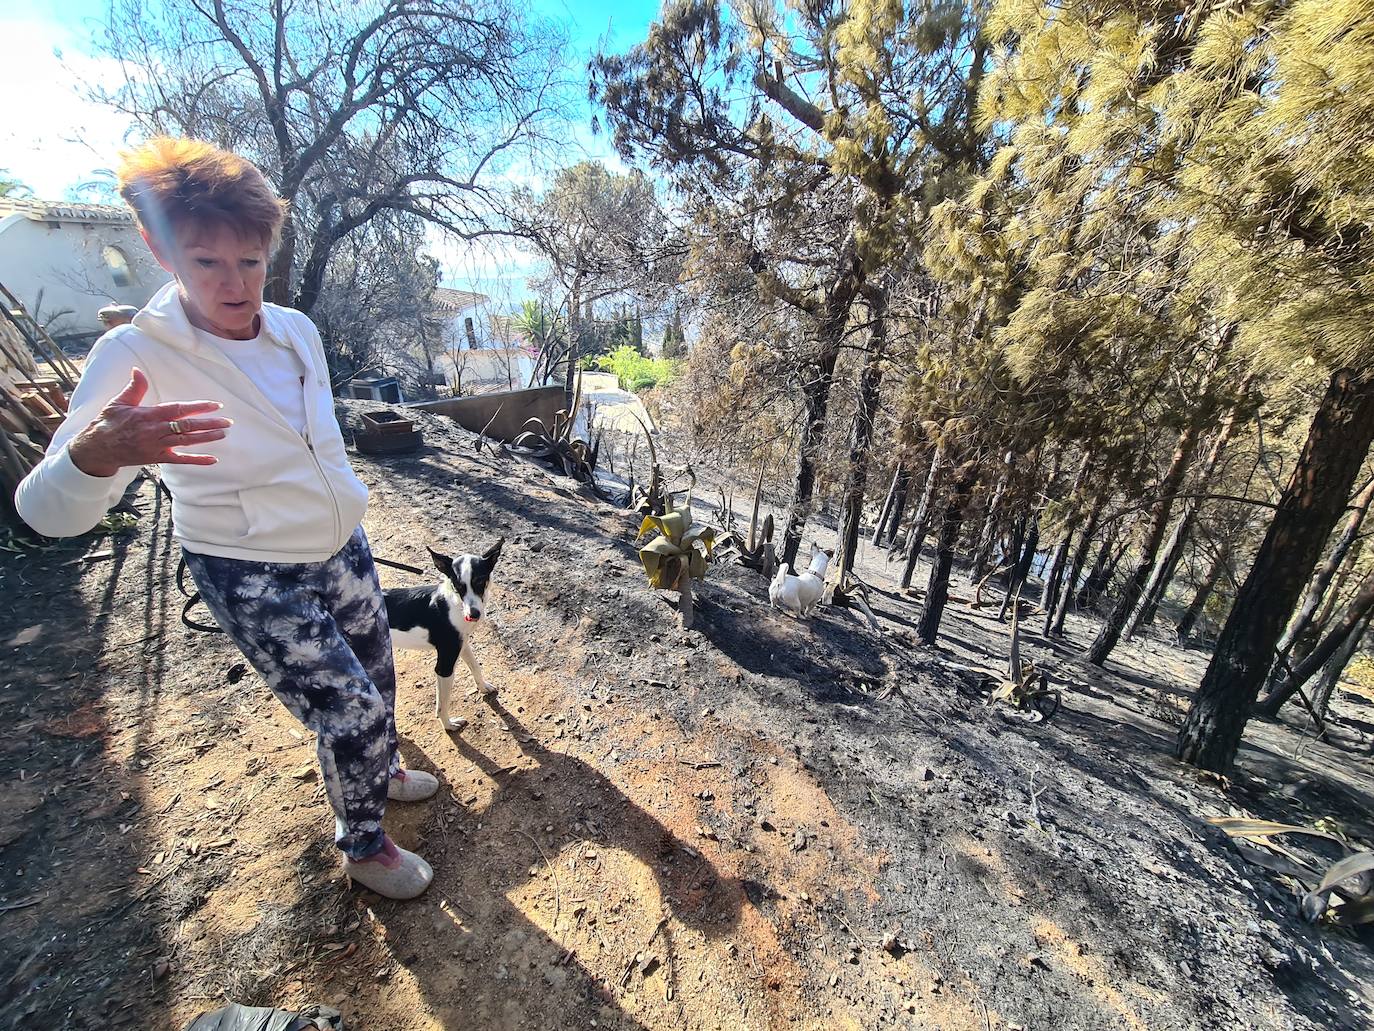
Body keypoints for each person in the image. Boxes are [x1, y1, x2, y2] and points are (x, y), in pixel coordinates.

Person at [16, 138, 434, 900]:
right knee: (347, 708)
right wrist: (94, 456)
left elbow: (316, 443)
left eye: (251, 259)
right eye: (207, 262)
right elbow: (41, 511)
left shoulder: (294, 329)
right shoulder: (133, 354)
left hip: (342, 548)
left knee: (376, 681)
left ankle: (381, 768)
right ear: (158, 247)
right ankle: (364, 846)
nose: (236, 283)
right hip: (251, 571)